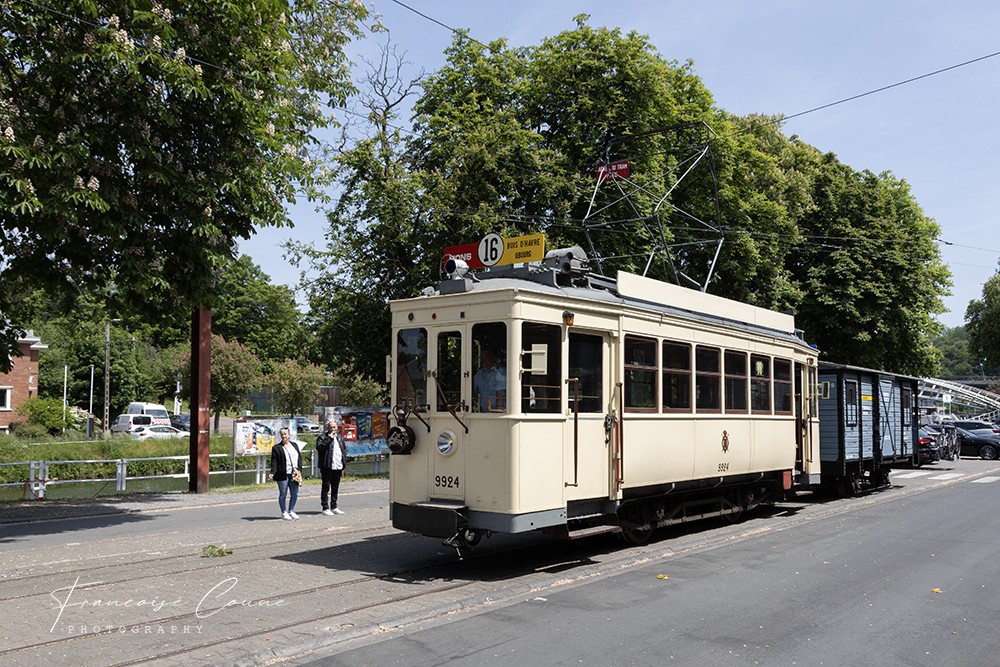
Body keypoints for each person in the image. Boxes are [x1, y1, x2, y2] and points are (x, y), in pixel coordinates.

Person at [315, 416, 348, 515]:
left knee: (335, 487)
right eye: (331, 427)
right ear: (327, 428)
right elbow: (320, 448)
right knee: (326, 487)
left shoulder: (340, 438)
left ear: (337, 427)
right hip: (327, 466)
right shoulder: (322, 437)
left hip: (338, 466)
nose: (333, 429)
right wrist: (329, 438)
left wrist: (343, 465)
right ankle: (325, 507)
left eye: (334, 427)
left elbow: (343, 451)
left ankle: (334, 506)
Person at [269, 427, 302, 520]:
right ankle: (284, 512)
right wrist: (272, 472)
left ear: (289, 435)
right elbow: (274, 462)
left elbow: (299, 457)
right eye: (282, 434)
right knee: (283, 493)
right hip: (282, 473)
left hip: (294, 473)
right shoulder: (277, 448)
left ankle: (291, 510)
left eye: (285, 434)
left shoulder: (294, 445)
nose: (284, 436)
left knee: (295, 493)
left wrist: (299, 469)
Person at [473, 345, 506, 412]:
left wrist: (498, 412)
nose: (483, 360)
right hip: (483, 413)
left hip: (498, 414)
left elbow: (501, 396)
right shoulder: (478, 374)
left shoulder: (500, 372)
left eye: (486, 356)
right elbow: (474, 393)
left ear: (494, 358)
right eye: (481, 357)